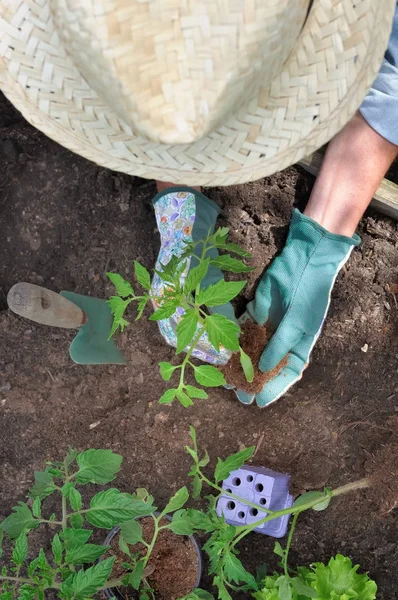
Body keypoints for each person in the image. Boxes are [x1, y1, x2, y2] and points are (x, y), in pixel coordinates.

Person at [0, 0, 396, 406]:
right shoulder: (102, 26)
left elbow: (391, 79)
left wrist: (318, 247)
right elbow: (169, 100)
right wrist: (179, 221)